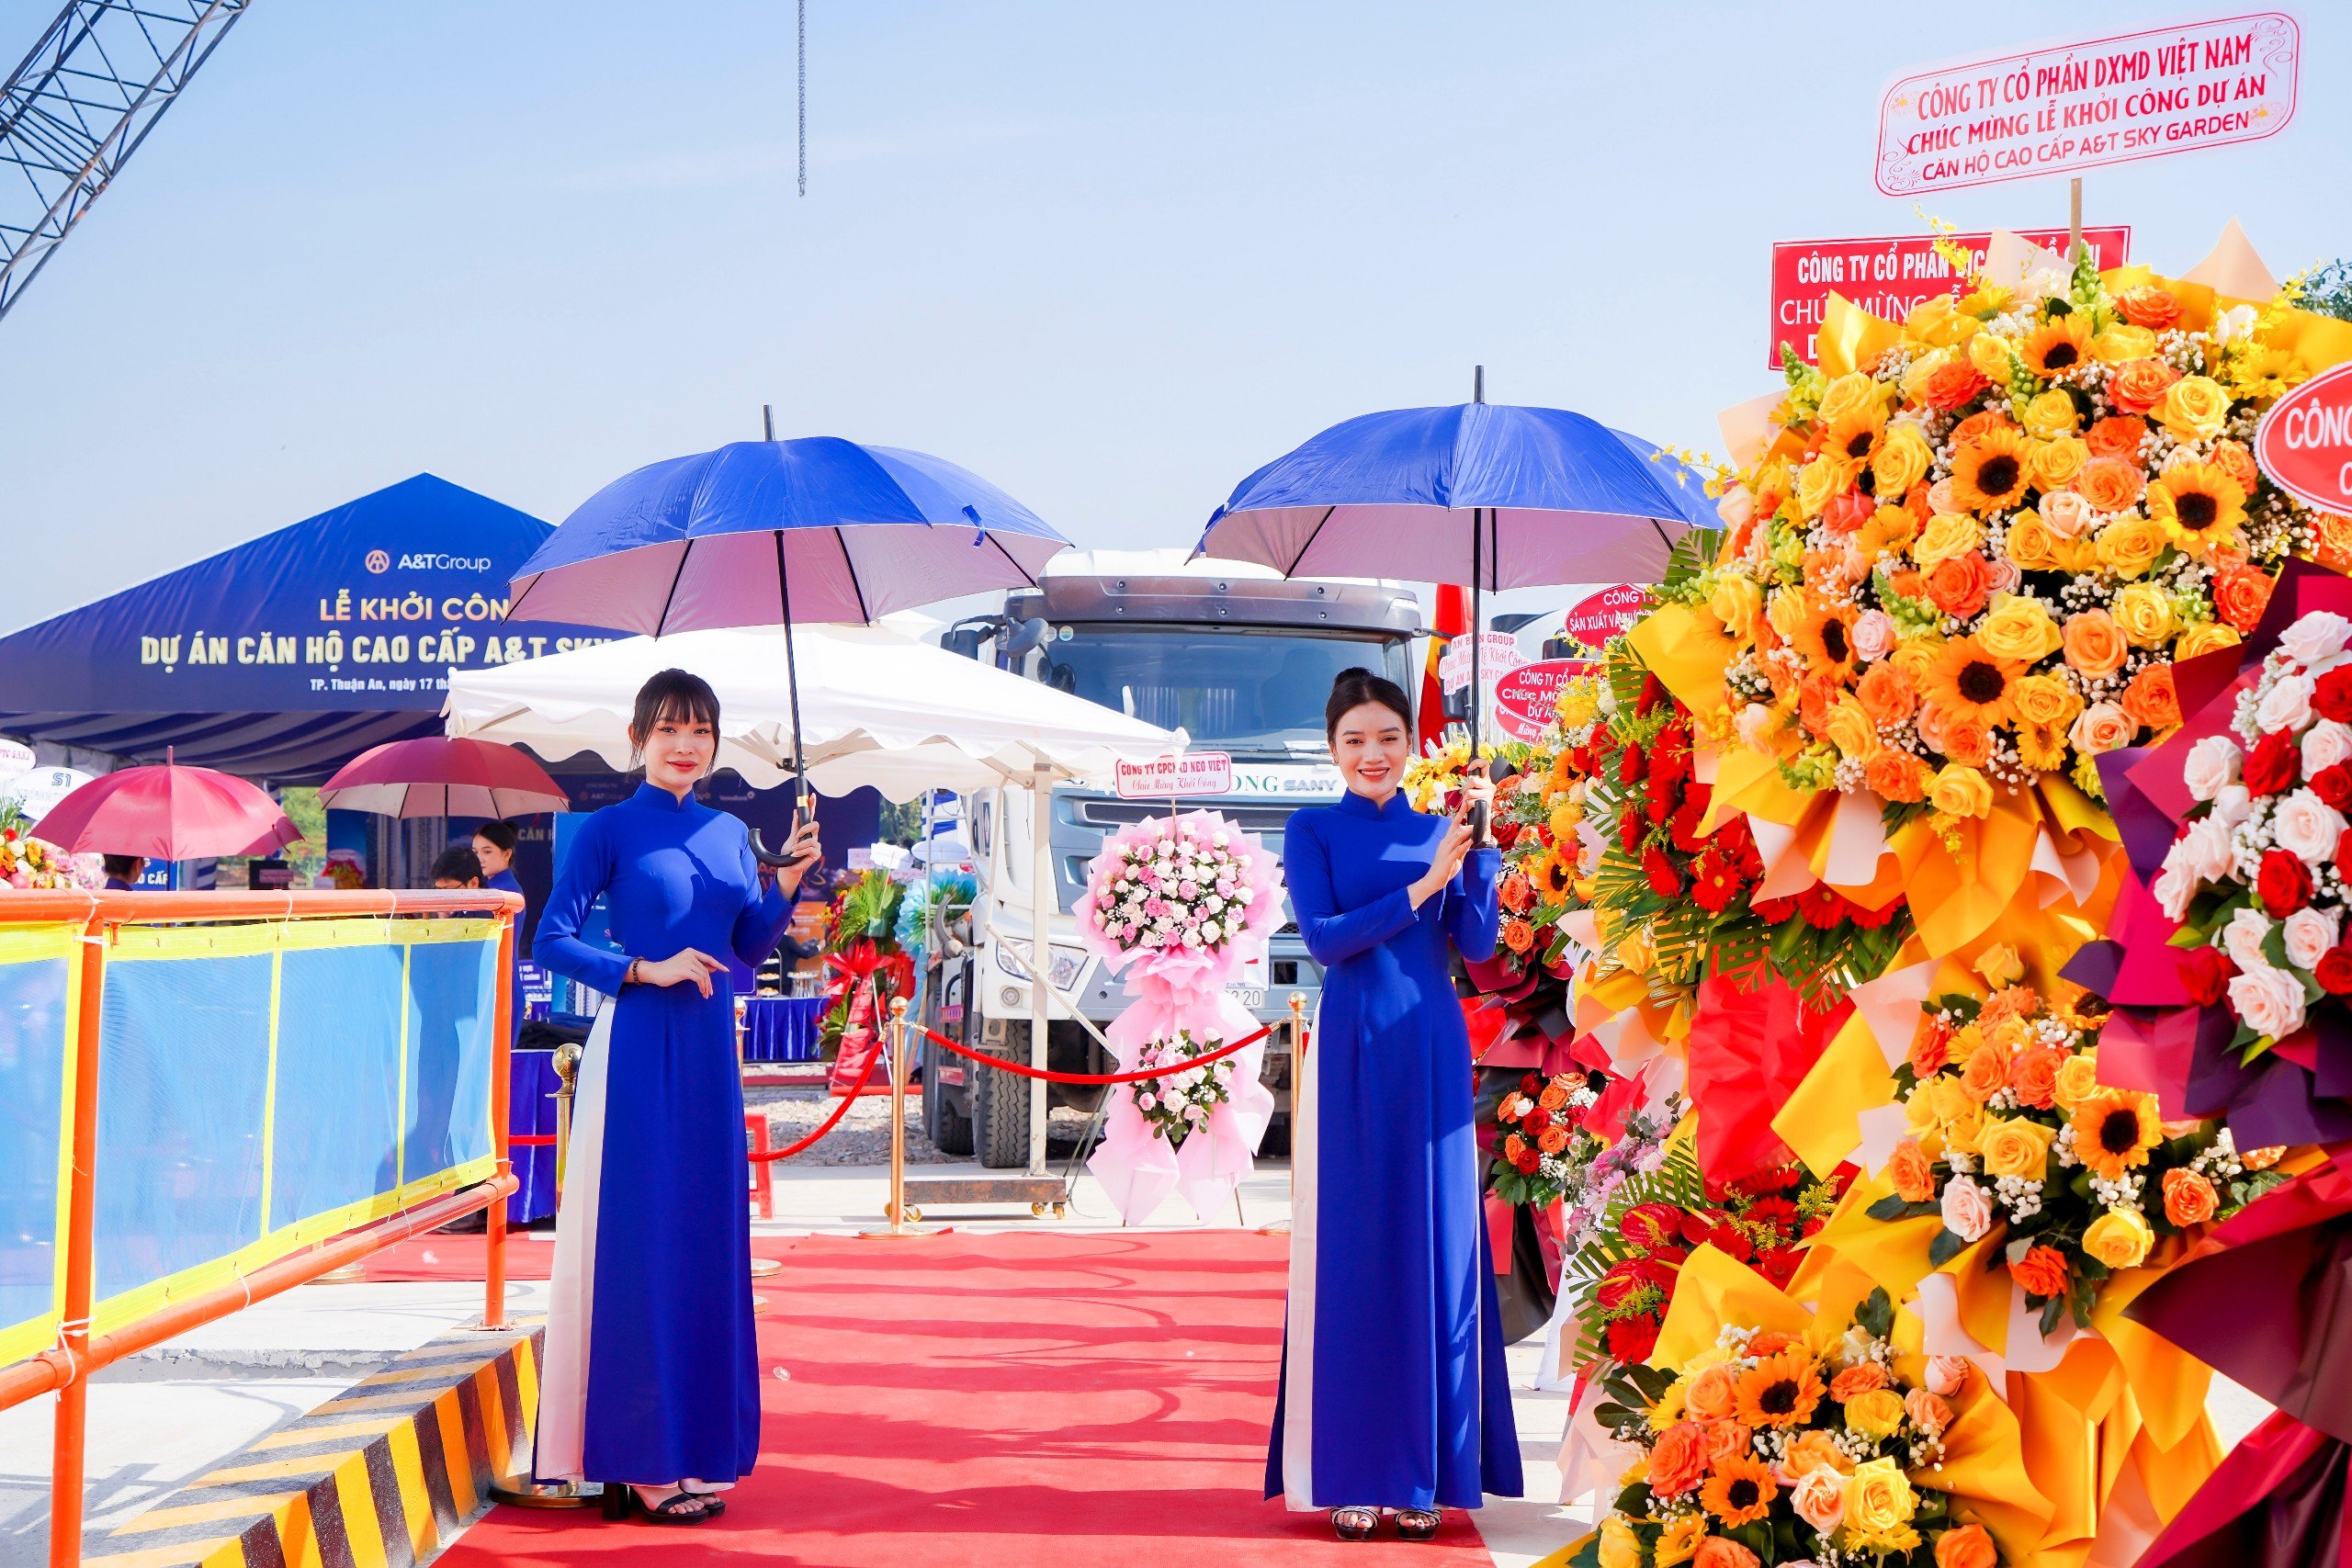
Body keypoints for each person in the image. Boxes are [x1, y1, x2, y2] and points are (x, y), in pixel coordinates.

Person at [531, 668, 820, 1524]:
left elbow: (746, 945)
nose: (684, 744)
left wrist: (790, 880)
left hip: (709, 1057)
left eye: (699, 729)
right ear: (638, 739)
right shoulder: (607, 829)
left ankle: (695, 1447)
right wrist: (640, 968)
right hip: (639, 1047)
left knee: (704, 1244)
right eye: (667, 730)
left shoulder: (733, 832)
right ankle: (638, 1457)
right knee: (642, 1244)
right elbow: (549, 937)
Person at [1264, 667, 1521, 1541]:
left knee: (1435, 1246)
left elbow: (1479, 945)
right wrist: (1421, 884)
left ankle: (1426, 1475)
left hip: (1435, 1051)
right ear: (1333, 749)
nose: (1373, 754)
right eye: (1354, 740)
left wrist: (1479, 849)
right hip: (1355, 1048)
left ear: (1411, 744)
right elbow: (1328, 939)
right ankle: (1351, 1472)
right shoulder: (1313, 829)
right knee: (1357, 1248)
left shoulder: (1439, 830)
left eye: (1387, 738)